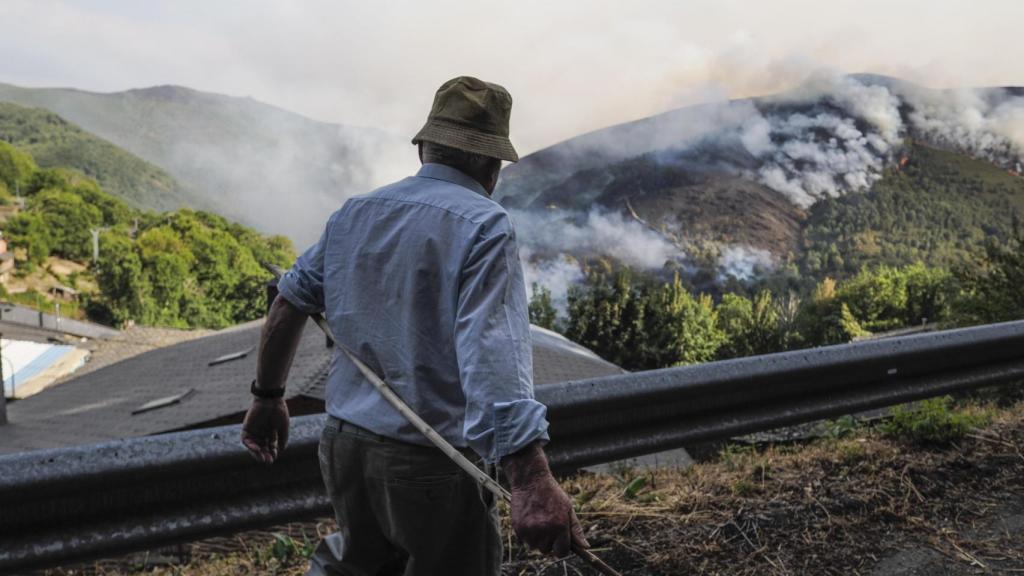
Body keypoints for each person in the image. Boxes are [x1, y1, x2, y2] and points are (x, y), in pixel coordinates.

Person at [241, 76, 587, 575]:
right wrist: (531, 480)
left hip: (344, 446)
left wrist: (267, 398)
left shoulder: (355, 213)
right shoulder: (485, 226)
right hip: (428, 461)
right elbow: (494, 359)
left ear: (424, 147)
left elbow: (287, 304)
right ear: (493, 165)